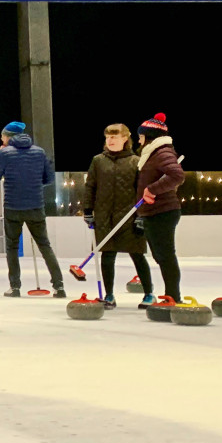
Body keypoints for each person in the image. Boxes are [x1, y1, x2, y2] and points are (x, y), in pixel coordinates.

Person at [0, 121, 66, 298]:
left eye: (2, 136)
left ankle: (15, 287)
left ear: (8, 137)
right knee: (44, 245)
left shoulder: (5, 153)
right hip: (35, 206)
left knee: (12, 247)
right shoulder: (39, 152)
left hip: (12, 207)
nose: (1, 139)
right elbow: (48, 179)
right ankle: (59, 286)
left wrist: (0, 156)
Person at [81, 124, 152, 309]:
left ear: (125, 139)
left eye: (115, 137)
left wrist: (141, 216)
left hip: (130, 216)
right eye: (107, 137)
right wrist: (88, 210)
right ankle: (109, 295)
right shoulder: (98, 161)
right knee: (107, 255)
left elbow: (142, 191)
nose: (110, 141)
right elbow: (90, 186)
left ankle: (149, 293)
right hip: (104, 216)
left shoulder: (136, 161)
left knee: (137, 255)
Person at [135, 113, 186, 305]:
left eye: (140, 135)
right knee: (161, 255)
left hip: (163, 211)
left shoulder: (162, 152)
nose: (138, 139)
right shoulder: (152, 153)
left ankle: (173, 296)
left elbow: (177, 175)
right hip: (153, 212)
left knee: (165, 256)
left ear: (148, 136)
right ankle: (171, 295)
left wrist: (152, 189)